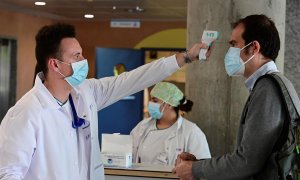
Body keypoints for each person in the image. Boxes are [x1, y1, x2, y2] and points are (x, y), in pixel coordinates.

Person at [0, 23, 211, 180]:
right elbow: (8, 173)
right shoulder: (26, 112)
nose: (83, 61)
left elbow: (133, 79)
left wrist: (186, 57)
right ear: (55, 64)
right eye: (76, 56)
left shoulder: (86, 93)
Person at [174, 14, 287, 180]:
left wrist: (195, 170)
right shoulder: (272, 84)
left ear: (254, 48)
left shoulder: (267, 89)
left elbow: (247, 162)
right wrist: (198, 165)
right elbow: (252, 158)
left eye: (234, 44)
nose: (229, 52)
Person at [131, 82, 211, 165]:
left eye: (155, 100)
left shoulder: (191, 131)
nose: (150, 103)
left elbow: (202, 166)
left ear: (169, 104)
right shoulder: (142, 126)